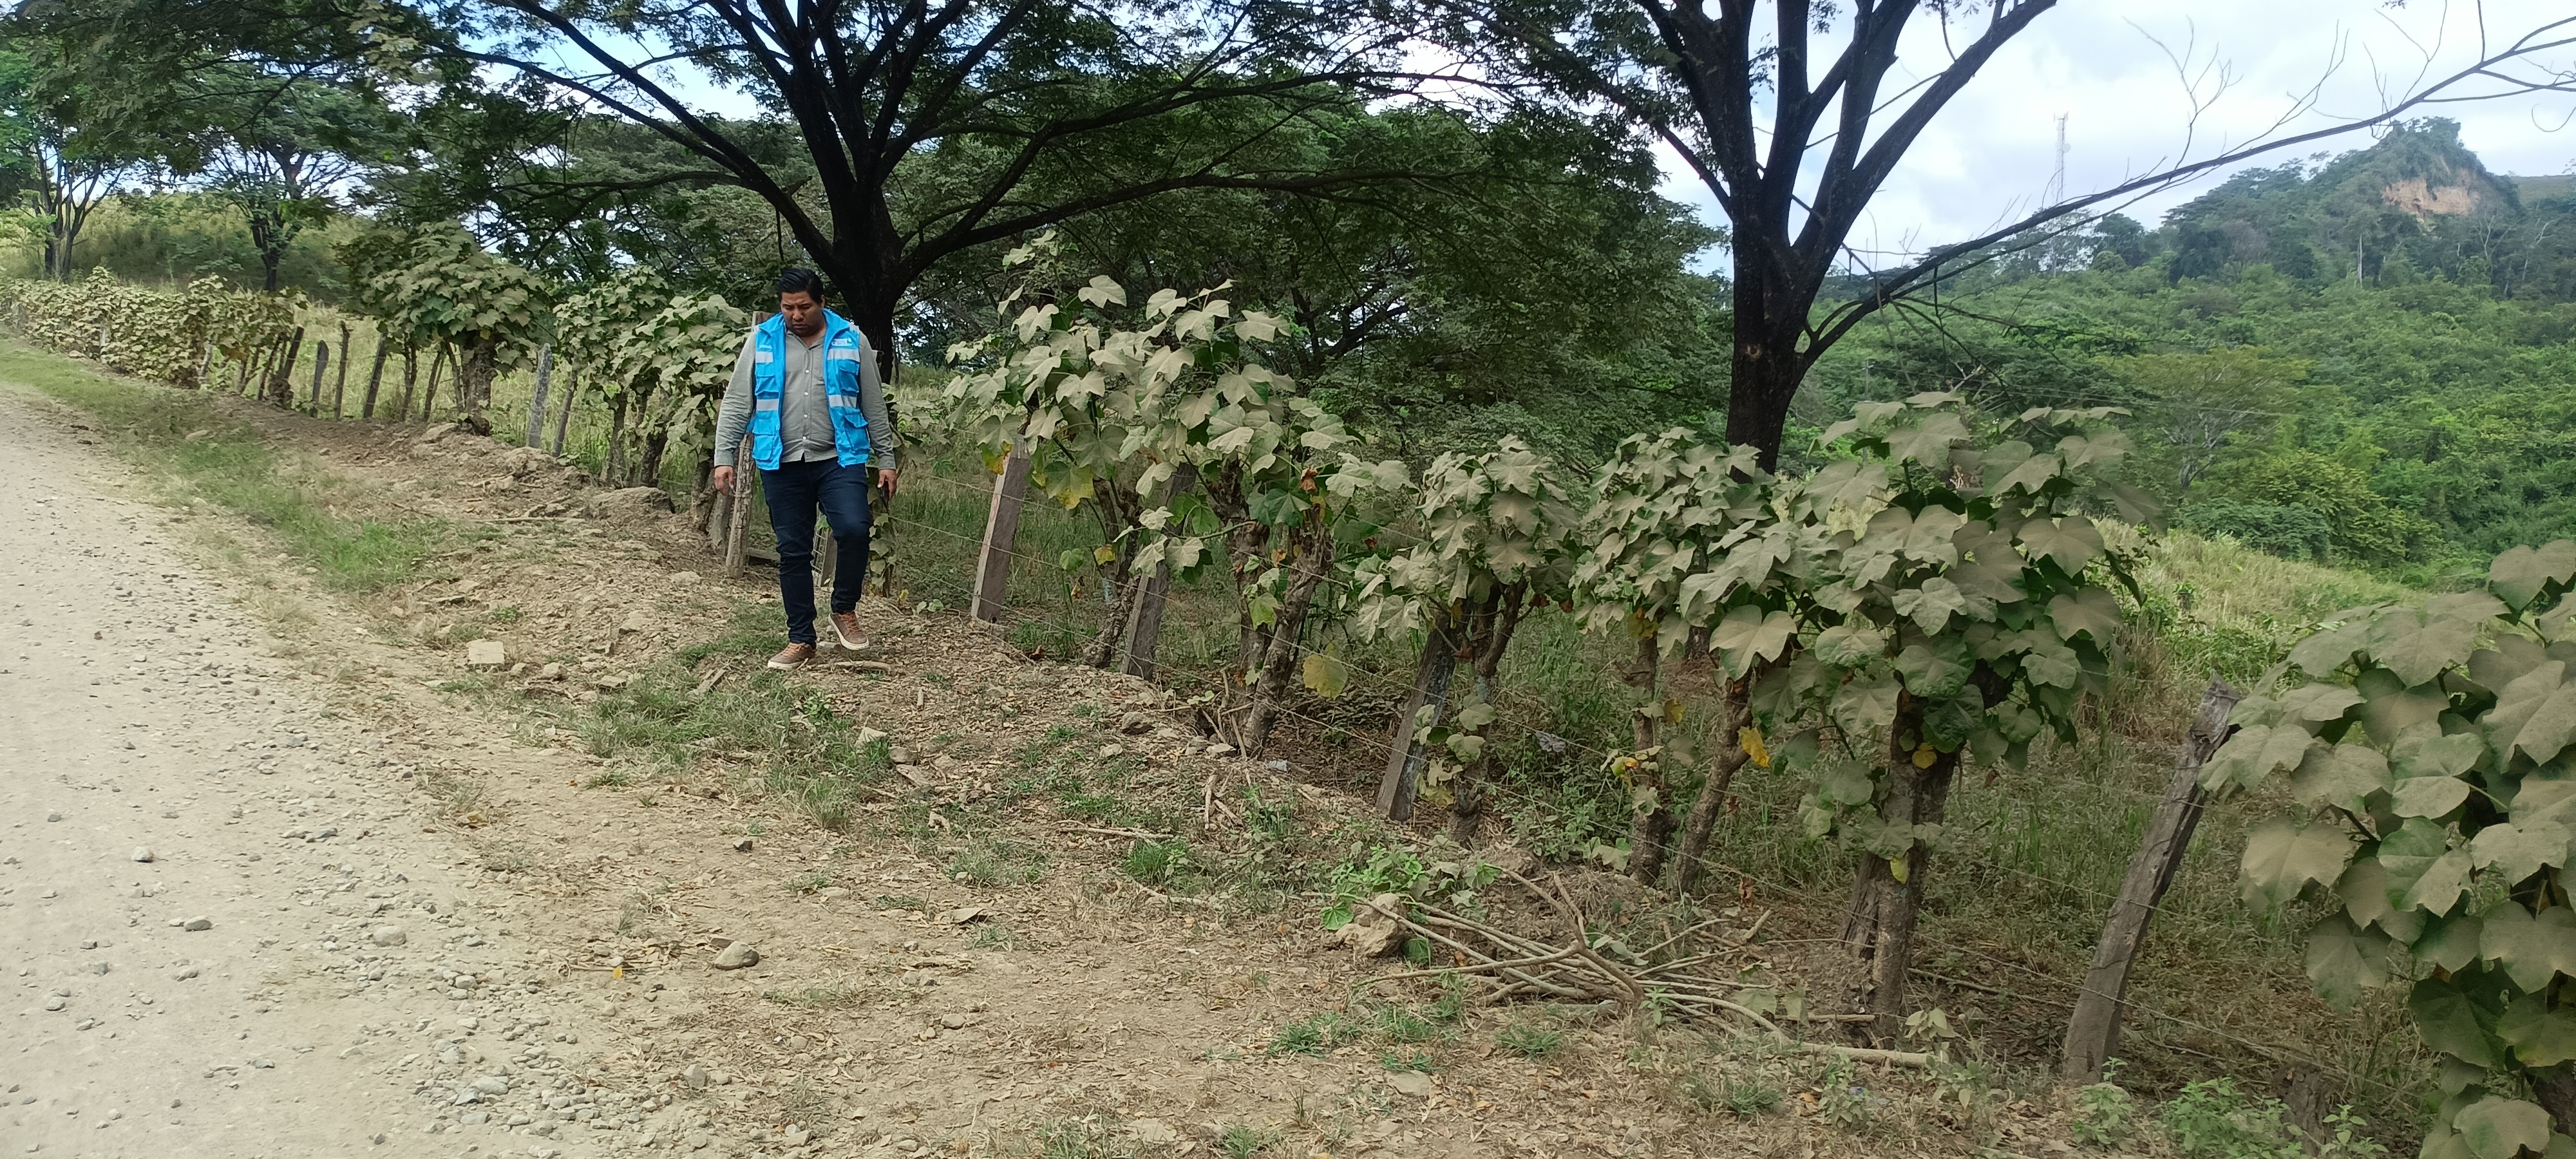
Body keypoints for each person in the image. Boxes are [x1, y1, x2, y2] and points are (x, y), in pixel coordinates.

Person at [711, 269, 901, 670]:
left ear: (822, 302)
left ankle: (843, 609)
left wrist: (886, 458)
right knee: (792, 550)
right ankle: (801, 638)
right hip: (780, 461)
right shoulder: (762, 340)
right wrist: (723, 456)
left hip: (839, 457)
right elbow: (738, 401)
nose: (796, 315)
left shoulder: (852, 340)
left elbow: (873, 403)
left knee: (854, 529)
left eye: (804, 307)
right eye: (788, 308)